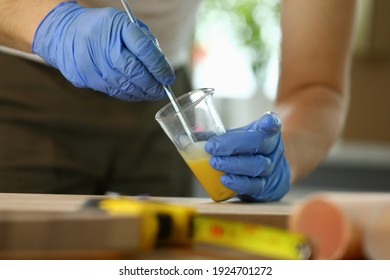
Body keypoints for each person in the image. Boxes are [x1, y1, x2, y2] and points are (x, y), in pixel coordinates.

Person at [0, 0, 356, 201]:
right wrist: (51, 26)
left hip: (161, 103)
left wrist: (284, 152)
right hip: (20, 81)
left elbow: (316, 85)